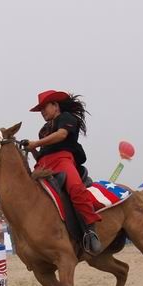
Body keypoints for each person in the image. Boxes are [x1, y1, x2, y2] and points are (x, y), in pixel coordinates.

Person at [25, 90, 102, 254]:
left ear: (55, 105)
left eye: (44, 107)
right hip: (43, 165)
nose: (42, 112)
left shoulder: (66, 118)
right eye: (40, 110)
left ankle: (90, 230)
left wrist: (35, 143)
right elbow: (41, 153)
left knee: (76, 189)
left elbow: (61, 135)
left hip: (63, 160)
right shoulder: (43, 130)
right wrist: (31, 150)